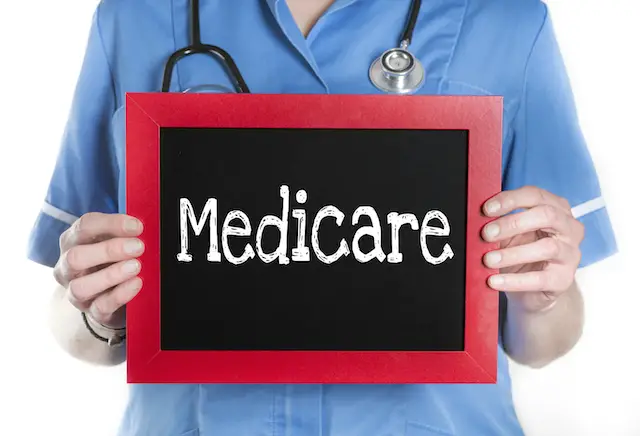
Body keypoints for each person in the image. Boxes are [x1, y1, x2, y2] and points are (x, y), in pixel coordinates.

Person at [27, 0, 617, 435]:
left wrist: (543, 295)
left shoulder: (505, 21)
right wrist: (95, 309)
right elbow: (79, 324)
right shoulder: (136, 17)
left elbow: (540, 343)